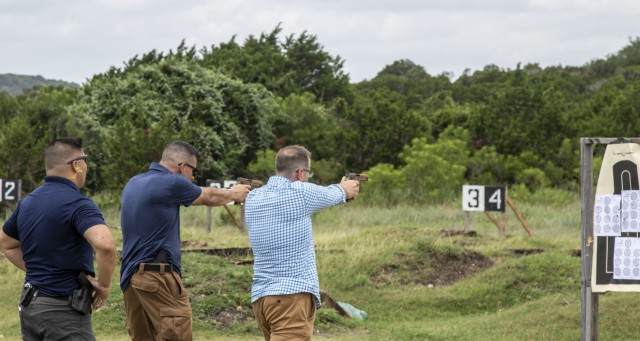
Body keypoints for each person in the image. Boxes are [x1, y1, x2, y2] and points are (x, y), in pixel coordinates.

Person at [119, 140, 250, 341]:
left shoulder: (133, 182)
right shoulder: (172, 182)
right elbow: (209, 196)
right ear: (182, 167)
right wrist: (235, 193)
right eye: (193, 171)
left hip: (132, 279)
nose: (193, 176)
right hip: (158, 277)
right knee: (176, 333)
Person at [0, 137, 117, 340]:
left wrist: (39, 271)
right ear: (76, 166)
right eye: (85, 160)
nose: (86, 166)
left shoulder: (26, 204)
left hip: (31, 306)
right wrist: (104, 286)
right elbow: (105, 246)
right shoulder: (79, 204)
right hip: (63, 311)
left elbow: (6, 242)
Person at [244, 145, 360, 340]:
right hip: (291, 298)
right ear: (300, 173)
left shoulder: (254, 197)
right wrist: (348, 187)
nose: (307, 178)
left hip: (262, 299)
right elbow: (340, 193)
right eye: (308, 173)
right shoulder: (300, 193)